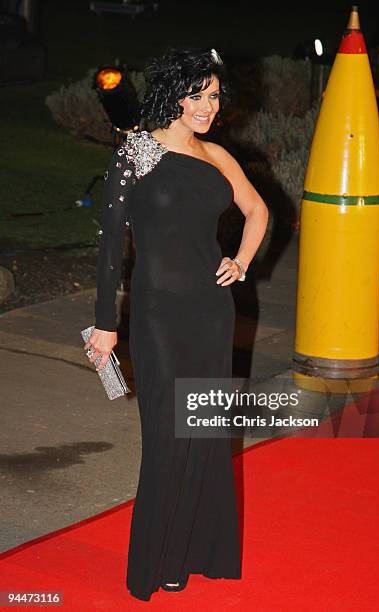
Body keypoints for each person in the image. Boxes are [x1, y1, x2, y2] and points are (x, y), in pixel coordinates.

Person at [83, 47, 269, 602]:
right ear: (172, 94)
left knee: (205, 434)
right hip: (158, 314)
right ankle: (159, 558)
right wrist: (104, 324)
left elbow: (259, 211)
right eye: (197, 95)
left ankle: (197, 552)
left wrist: (240, 261)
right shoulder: (137, 152)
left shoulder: (216, 156)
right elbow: (111, 243)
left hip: (212, 313)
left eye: (214, 96)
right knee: (168, 437)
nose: (207, 106)